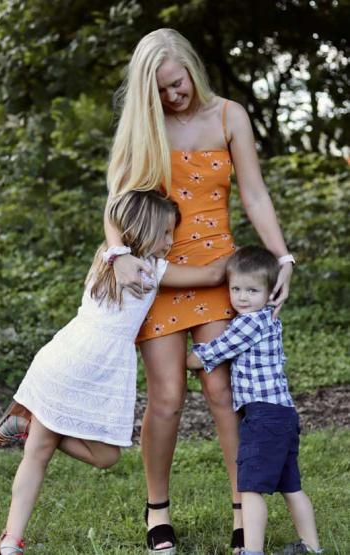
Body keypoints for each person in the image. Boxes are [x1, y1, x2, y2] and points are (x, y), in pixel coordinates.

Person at [104, 28, 295, 554]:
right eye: (161, 90)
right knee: (166, 397)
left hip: (219, 272)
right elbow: (116, 203)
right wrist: (118, 256)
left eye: (177, 83)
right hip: (161, 275)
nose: (173, 96)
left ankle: (244, 506)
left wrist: (283, 257)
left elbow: (254, 193)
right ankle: (157, 511)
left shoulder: (230, 116)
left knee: (220, 391)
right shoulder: (145, 126)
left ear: (191, 68)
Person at [0, 190, 229, 555]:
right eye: (166, 233)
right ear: (144, 229)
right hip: (78, 362)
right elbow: (211, 274)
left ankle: (28, 425)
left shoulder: (108, 257)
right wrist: (250, 260)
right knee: (42, 455)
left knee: (101, 456)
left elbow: (117, 213)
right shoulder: (141, 265)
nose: (170, 242)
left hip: (76, 360)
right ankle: (11, 539)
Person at [187, 246, 323, 555]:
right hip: (283, 414)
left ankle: (252, 550)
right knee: (292, 487)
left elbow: (214, 351)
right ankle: (312, 547)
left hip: (263, 417)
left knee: (249, 488)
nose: (242, 297)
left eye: (252, 290)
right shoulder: (269, 320)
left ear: (270, 291)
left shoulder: (249, 323)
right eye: (236, 289)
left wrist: (185, 360)